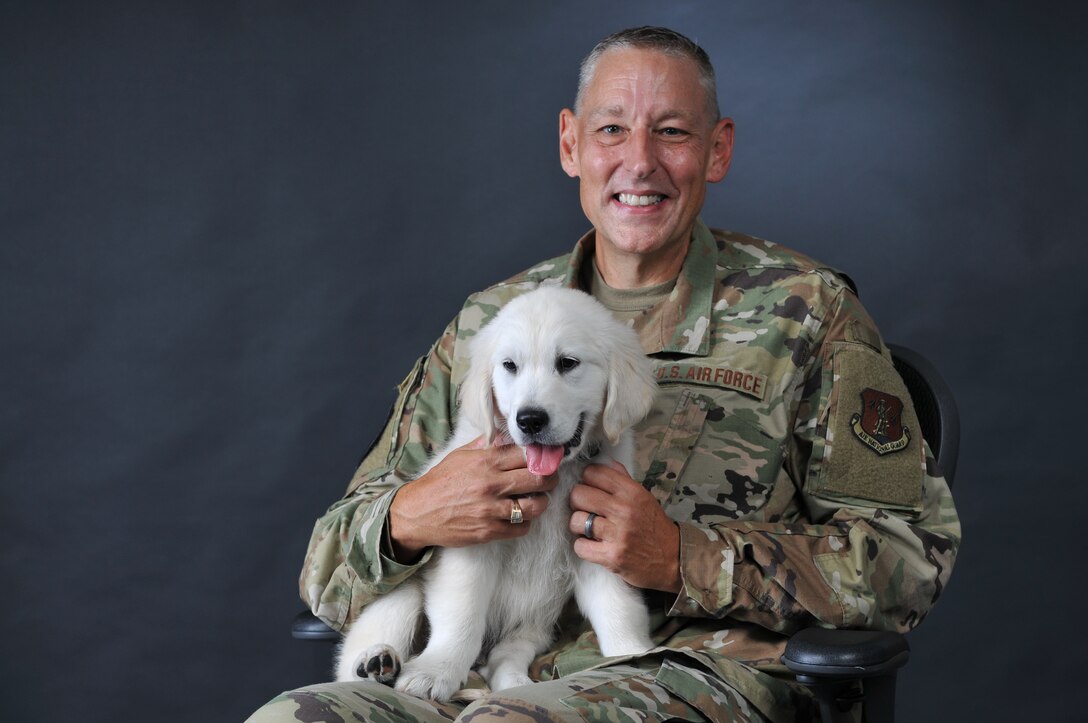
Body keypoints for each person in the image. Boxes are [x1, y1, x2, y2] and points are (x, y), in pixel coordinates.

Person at [249, 26, 960, 723]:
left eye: (673, 133)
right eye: (612, 129)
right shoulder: (491, 325)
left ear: (718, 151)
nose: (639, 161)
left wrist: (685, 556)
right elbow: (325, 566)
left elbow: (907, 560)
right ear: (571, 144)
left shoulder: (808, 314)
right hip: (467, 672)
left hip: (694, 675)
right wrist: (409, 519)